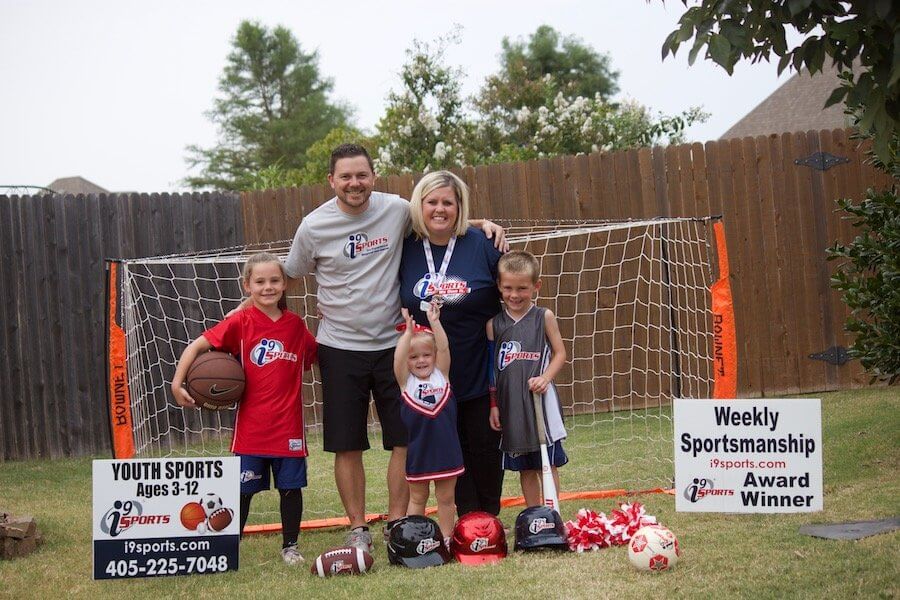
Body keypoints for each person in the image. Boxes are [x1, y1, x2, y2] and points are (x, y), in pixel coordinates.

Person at [283, 144, 506, 550]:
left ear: (374, 177)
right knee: (347, 443)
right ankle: (357, 527)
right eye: (345, 176)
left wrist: (482, 223)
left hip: (394, 347)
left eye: (362, 175)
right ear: (332, 180)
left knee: (405, 439)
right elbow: (289, 276)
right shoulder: (313, 226)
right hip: (339, 346)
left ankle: (399, 521)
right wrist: (250, 309)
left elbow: (438, 217)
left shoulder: (396, 209)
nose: (355, 183)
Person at [172, 252, 317, 565]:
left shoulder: (295, 326)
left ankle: (290, 546)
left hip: (288, 429)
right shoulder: (239, 322)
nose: (268, 287)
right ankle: (229, 545)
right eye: (260, 281)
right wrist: (177, 382)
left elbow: (316, 356)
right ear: (247, 285)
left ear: (284, 285)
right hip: (250, 430)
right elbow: (197, 346)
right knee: (243, 491)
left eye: (275, 280)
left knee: (291, 490)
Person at [399, 170, 505, 517]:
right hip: (428, 377)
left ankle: (487, 522)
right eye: (432, 201)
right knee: (449, 449)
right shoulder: (406, 245)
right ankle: (464, 522)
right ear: (420, 205)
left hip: (478, 367)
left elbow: (514, 291)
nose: (440, 209)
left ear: (460, 207)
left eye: (449, 202)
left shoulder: (484, 243)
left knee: (485, 447)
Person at [486, 251, 568, 507]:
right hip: (511, 404)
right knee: (525, 466)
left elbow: (560, 353)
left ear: (536, 286)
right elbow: (492, 369)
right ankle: (534, 513)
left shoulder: (544, 316)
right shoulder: (494, 324)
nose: (514, 295)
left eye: (522, 288)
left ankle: (553, 512)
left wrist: (545, 377)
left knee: (548, 460)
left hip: (541, 403)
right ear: (499, 286)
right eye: (508, 288)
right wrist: (494, 404)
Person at [393, 304, 463, 545]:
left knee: (446, 497)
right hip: (419, 452)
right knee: (418, 497)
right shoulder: (406, 383)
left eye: (426, 355)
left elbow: (443, 346)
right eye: (414, 357)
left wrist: (434, 322)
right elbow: (399, 358)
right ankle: (414, 539)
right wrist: (408, 334)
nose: (421, 360)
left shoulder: (441, 376)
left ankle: (445, 538)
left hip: (447, 450)